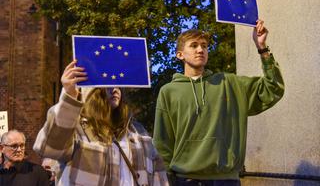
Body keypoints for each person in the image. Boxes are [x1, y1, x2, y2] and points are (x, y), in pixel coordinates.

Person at [153, 20, 285, 185]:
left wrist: (262, 47)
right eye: (193, 45)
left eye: (204, 46)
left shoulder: (229, 83)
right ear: (180, 54)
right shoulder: (169, 91)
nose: (200, 49)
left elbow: (273, 89)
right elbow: (162, 142)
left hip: (226, 179)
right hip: (184, 180)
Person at [33, 60, 169, 186]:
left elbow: (159, 177)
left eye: (118, 84)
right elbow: (50, 148)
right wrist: (69, 94)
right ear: (92, 93)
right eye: (106, 84)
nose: (114, 88)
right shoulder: (76, 128)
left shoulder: (139, 133)